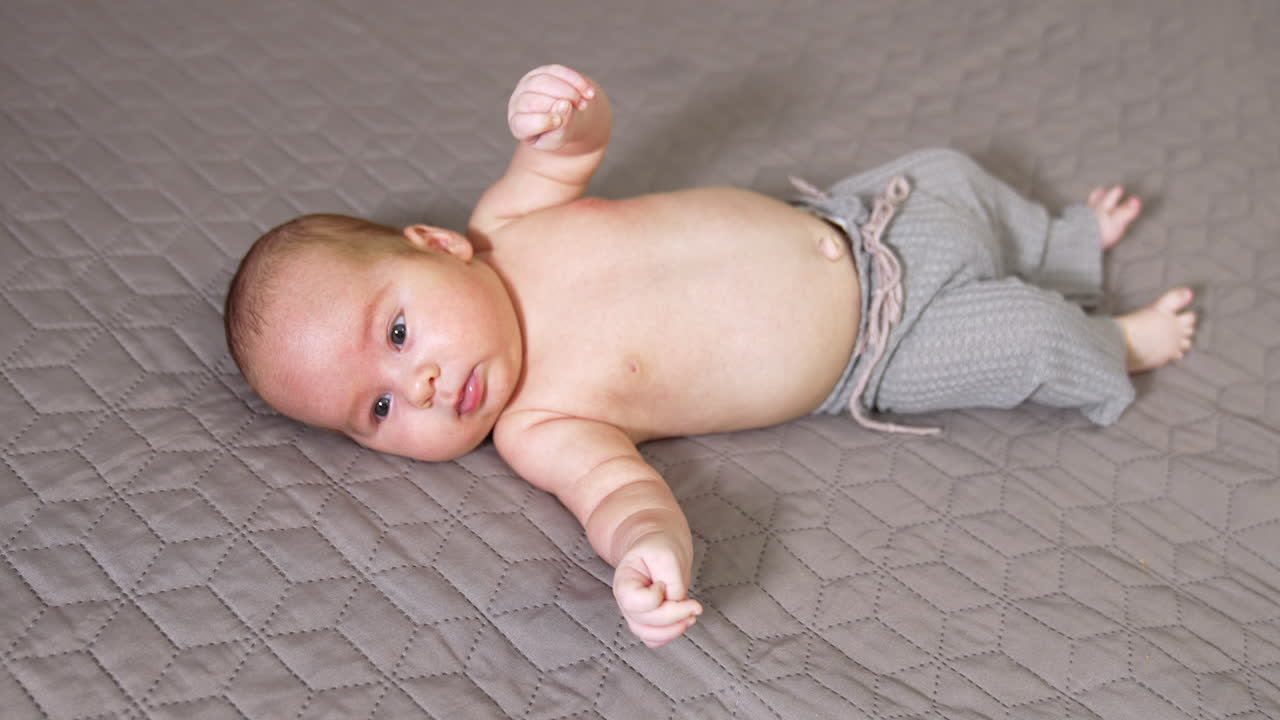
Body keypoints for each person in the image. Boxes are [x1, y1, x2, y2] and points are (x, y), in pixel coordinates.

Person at [223, 64, 1196, 647]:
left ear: (435, 243)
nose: (421, 385)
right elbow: (617, 498)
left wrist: (560, 116)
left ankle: (1059, 243)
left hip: (857, 220)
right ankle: (1110, 342)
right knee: (1020, 341)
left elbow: (571, 152)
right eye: (380, 412)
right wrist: (648, 555)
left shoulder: (507, 220)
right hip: (874, 349)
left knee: (955, 177)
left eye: (396, 337)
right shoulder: (536, 424)